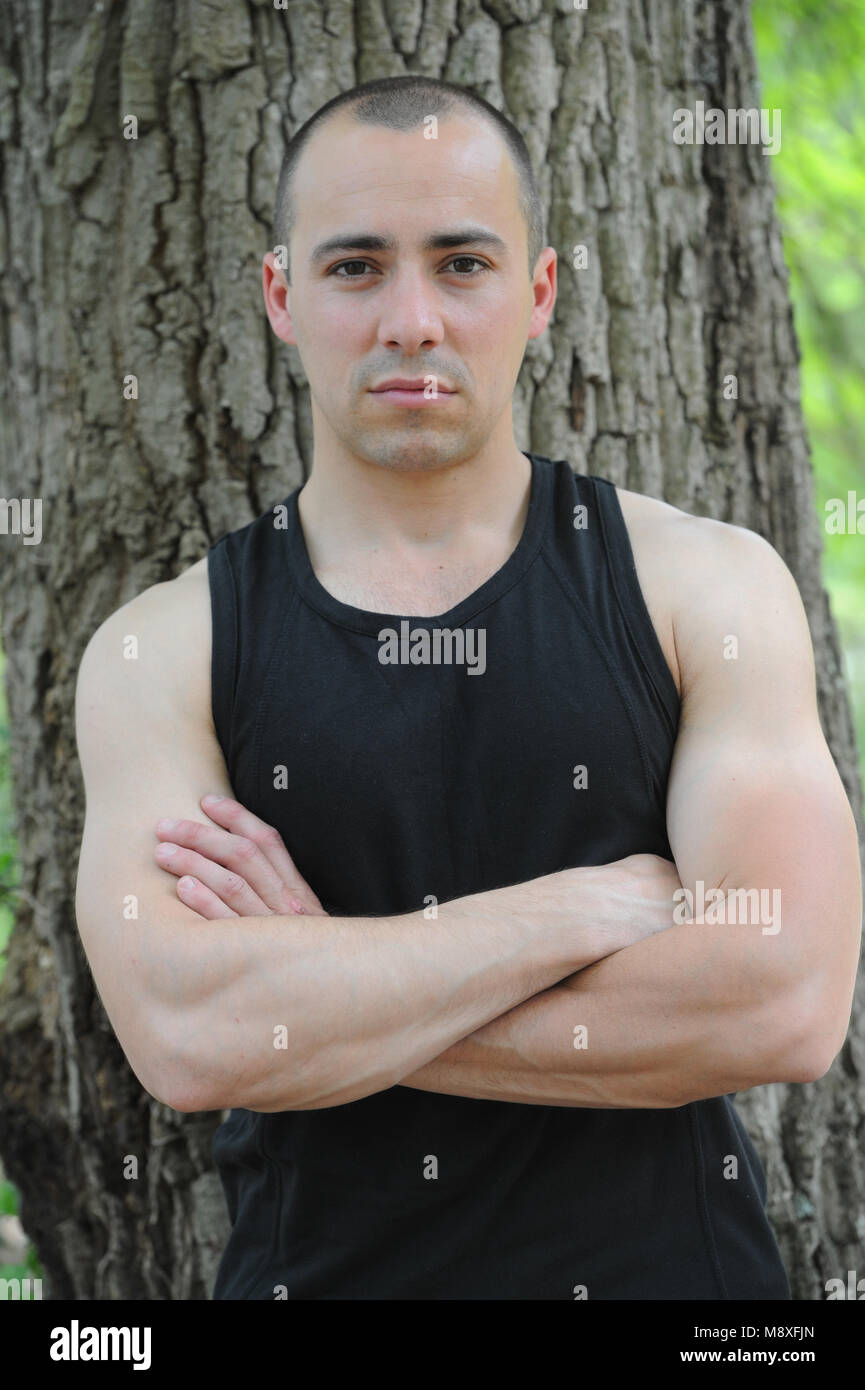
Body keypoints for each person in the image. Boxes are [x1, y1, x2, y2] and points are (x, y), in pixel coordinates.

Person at [74, 75, 861, 1300]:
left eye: (461, 264)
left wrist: (324, 980)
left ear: (537, 293)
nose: (411, 319)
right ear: (280, 297)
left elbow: (783, 1000)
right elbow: (186, 1034)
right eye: (353, 268)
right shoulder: (163, 646)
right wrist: (572, 913)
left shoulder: (704, 587)